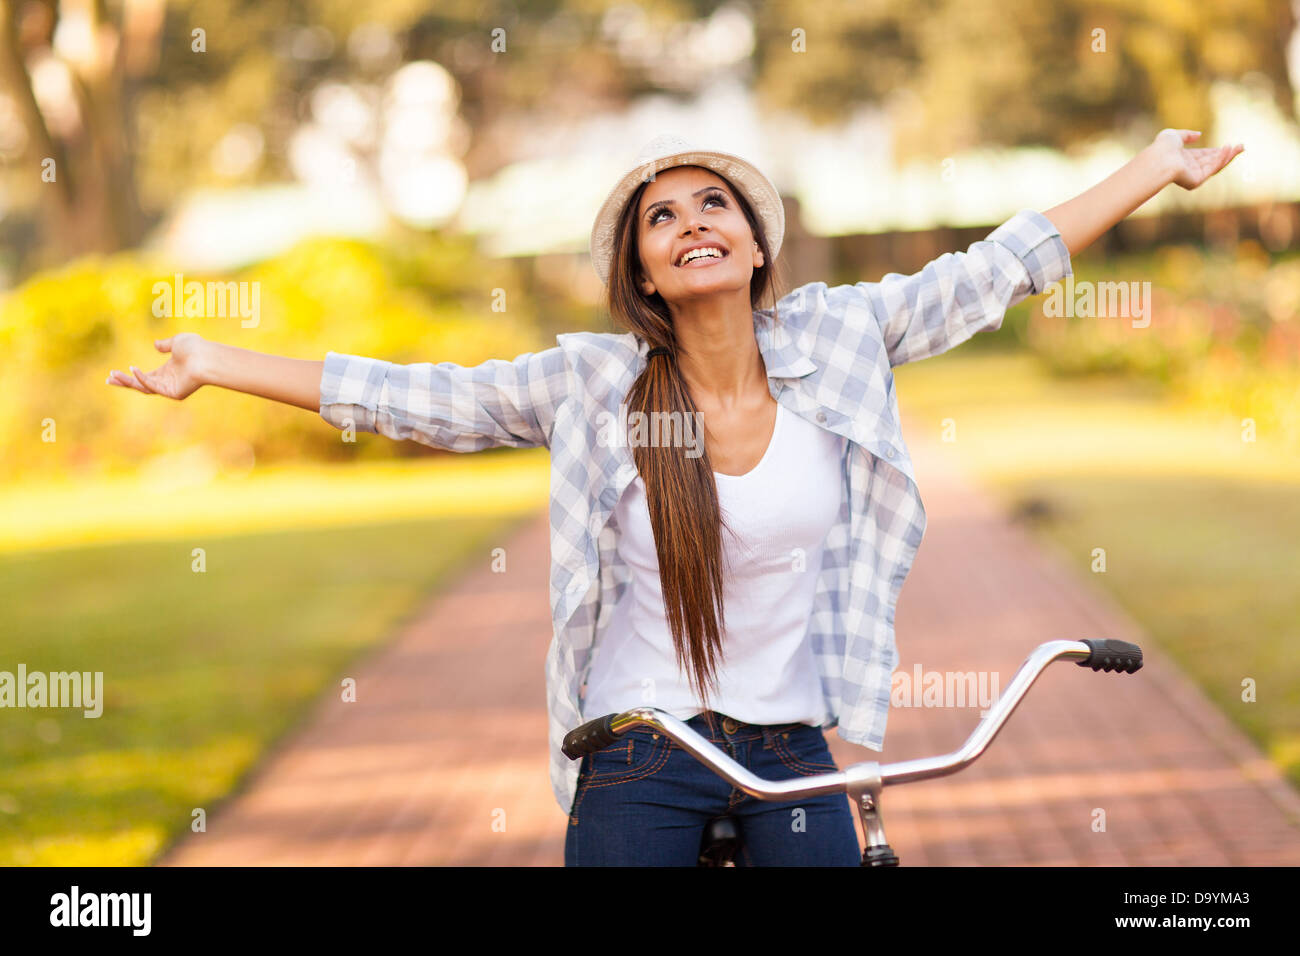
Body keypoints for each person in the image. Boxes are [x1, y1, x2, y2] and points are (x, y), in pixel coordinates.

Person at [106, 129, 1242, 866]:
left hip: (796, 743)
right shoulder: (594, 383)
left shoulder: (843, 335)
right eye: (663, 216)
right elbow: (417, 397)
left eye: (715, 205)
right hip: (639, 740)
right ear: (644, 272)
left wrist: (1154, 167)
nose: (692, 221)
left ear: (754, 245)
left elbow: (995, 267)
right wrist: (216, 361)